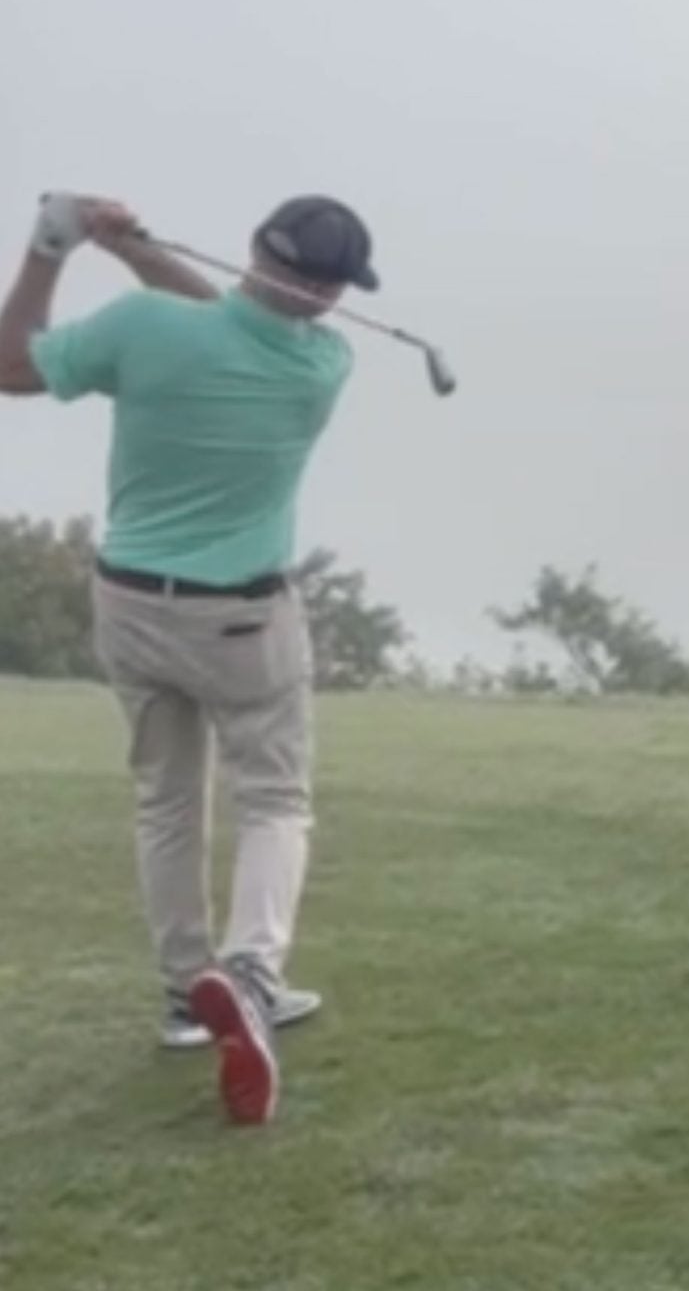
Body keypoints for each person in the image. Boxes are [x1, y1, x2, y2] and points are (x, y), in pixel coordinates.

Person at [0, 190, 379, 1127]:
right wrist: (137, 250)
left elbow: (12, 366)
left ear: (257, 248)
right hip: (244, 621)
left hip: (129, 603)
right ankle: (250, 972)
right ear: (332, 292)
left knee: (167, 801)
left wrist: (56, 246)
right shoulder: (324, 361)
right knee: (275, 798)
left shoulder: (141, 327)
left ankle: (185, 994)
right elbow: (240, 318)